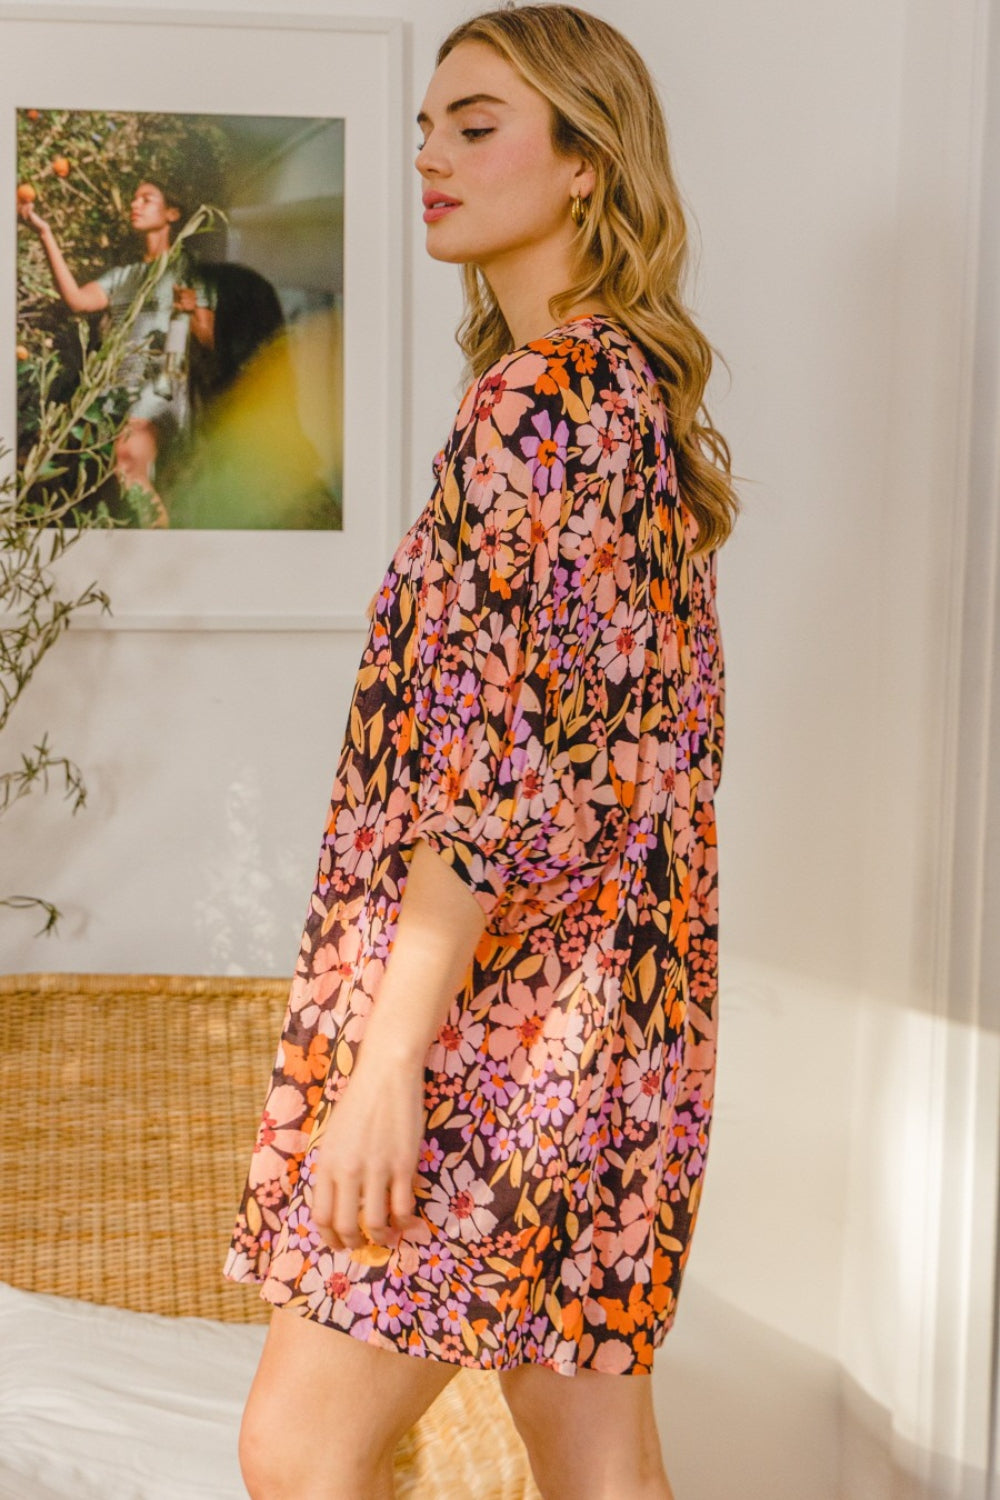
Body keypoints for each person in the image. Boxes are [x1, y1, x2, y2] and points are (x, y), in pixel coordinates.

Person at [226, 6, 737, 1498]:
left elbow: (495, 773)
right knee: (592, 1452)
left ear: (586, 163)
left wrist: (391, 1064)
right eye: (426, 127)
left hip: (497, 1029)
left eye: (479, 123)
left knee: (298, 1450)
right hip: (620, 1025)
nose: (433, 158)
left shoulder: (545, 404)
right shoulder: (625, 394)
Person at [17, 177, 215, 522]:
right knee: (114, 485)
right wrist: (44, 233)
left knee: (125, 462)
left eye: (146, 198)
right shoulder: (125, 276)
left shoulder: (190, 270)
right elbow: (77, 300)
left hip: (159, 389)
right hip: (113, 392)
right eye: (133, 198)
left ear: (172, 213)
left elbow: (208, 339)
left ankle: (160, 555)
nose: (134, 204)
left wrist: (193, 310)